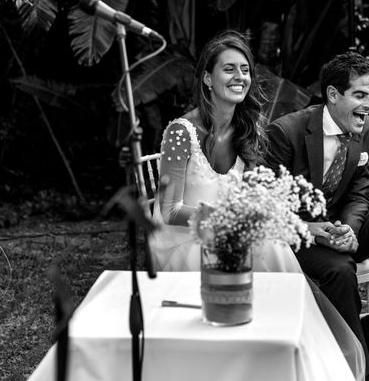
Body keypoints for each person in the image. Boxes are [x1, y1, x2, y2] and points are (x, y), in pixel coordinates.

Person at [152, 29, 302, 272]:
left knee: (272, 245)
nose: (239, 77)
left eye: (245, 70)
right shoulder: (180, 133)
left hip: (227, 231)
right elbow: (170, 211)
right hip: (184, 240)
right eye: (229, 69)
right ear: (208, 79)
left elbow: (249, 198)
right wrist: (228, 219)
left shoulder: (246, 129)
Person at [265, 50, 369, 371]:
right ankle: (354, 363)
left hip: (338, 226)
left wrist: (349, 229)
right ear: (333, 95)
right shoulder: (286, 133)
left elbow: (359, 192)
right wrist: (314, 230)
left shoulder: (359, 128)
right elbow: (266, 204)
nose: (368, 104)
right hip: (292, 235)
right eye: (360, 95)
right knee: (339, 270)